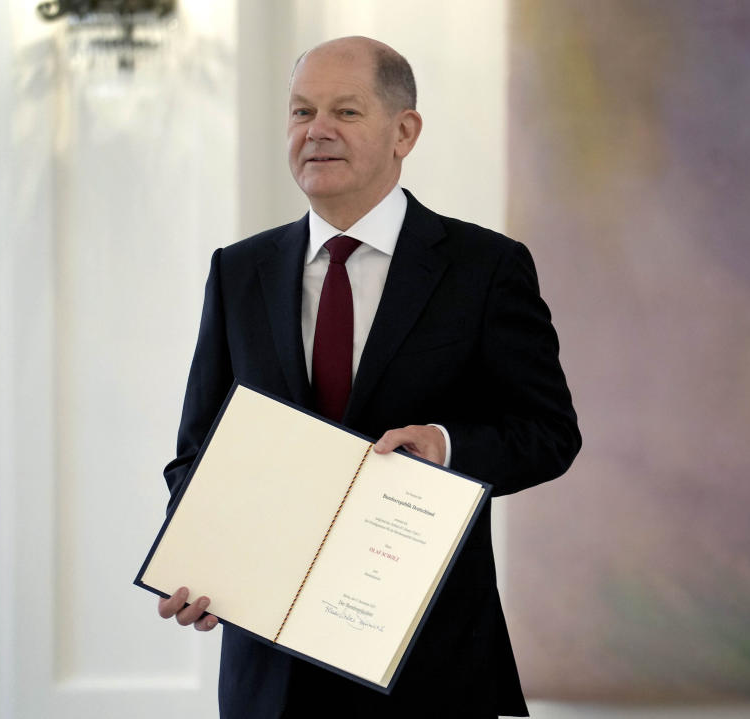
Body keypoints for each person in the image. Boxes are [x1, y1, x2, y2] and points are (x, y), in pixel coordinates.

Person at [156, 36, 580, 719]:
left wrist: (444, 446)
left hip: (431, 665)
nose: (315, 130)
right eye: (301, 112)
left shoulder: (485, 268)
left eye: (345, 112)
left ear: (404, 130)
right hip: (270, 676)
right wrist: (203, 562)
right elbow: (197, 453)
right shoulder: (239, 272)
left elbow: (549, 433)